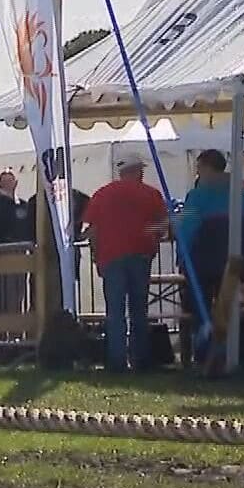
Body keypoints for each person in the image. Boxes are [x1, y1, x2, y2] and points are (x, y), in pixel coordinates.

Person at [81, 157, 169, 373]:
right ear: (138, 171)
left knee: (115, 311)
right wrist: (150, 238)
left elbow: (93, 230)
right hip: (140, 254)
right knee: (139, 310)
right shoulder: (151, 194)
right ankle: (141, 360)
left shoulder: (103, 194)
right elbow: (162, 225)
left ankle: (116, 361)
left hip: (111, 256)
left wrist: (96, 256)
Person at [178, 148, 244, 344]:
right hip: (236, 263)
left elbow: (187, 229)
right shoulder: (242, 195)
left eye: (199, 168)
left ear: (207, 168)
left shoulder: (197, 196)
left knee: (199, 310)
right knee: (230, 310)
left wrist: (182, 257)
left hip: (203, 265)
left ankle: (203, 349)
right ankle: (231, 348)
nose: (198, 173)